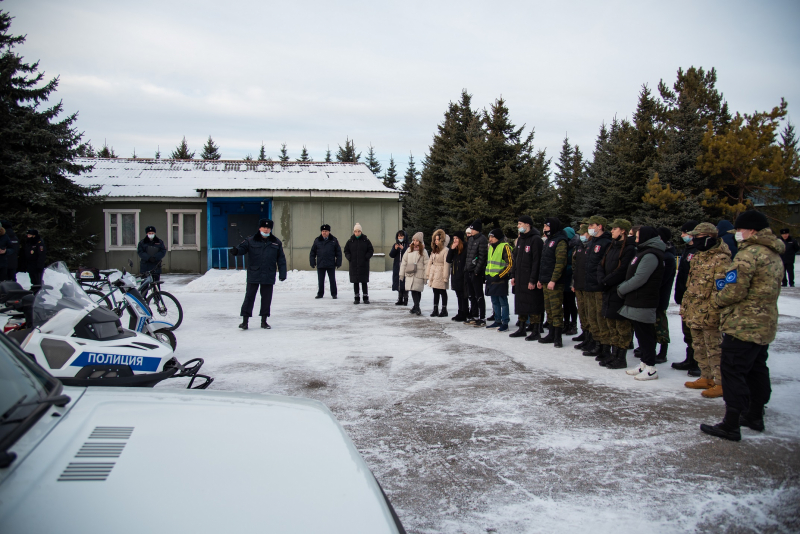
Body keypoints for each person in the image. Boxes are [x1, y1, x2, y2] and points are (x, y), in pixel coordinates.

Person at [701, 211, 785, 441]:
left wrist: (717, 300)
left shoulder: (748, 255)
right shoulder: (774, 254)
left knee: (732, 370)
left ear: (752, 231)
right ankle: (755, 415)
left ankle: (731, 423)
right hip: (764, 323)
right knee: (757, 369)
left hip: (743, 324)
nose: (737, 234)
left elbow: (735, 290)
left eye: (739, 230)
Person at [679, 222, 732, 398]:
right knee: (699, 346)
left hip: (710, 312)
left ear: (709, 237)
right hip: (695, 310)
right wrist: (686, 306)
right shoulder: (699, 256)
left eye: (698, 237)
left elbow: (721, 289)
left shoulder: (721, 259)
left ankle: (721, 382)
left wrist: (715, 312)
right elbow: (690, 284)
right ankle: (706, 376)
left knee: (715, 348)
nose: (694, 240)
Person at [618, 226, 666, 381]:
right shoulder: (644, 252)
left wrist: (622, 289)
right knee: (640, 333)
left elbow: (640, 278)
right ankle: (644, 363)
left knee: (646, 334)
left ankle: (651, 367)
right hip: (637, 299)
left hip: (644, 300)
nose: (636, 239)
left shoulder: (651, 255)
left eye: (637, 237)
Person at [230, 218, 287, 329]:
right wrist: (236, 251)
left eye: (268, 228)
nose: (266, 230)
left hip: (268, 273)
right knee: (249, 297)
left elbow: (281, 259)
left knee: (266, 298)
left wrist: (282, 273)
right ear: (259, 228)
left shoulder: (276, 242)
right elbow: (242, 249)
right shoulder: (250, 240)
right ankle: (245, 321)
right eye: (264, 227)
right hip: (254, 273)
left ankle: (264, 321)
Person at [597, 219, 636, 369]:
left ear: (623, 231)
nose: (612, 231)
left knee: (621, 325)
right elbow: (602, 264)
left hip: (618, 290)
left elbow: (623, 270)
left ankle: (621, 357)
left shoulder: (630, 248)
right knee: (611, 323)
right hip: (607, 289)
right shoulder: (612, 246)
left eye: (615, 229)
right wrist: (602, 280)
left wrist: (606, 282)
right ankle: (613, 355)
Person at [672, 220, 701, 377]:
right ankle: (690, 359)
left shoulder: (698, 251)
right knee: (687, 331)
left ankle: (698, 362)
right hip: (685, 296)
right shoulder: (688, 249)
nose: (682, 235)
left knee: (696, 331)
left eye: (684, 232)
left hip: (696, 298)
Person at [508, 216, 544, 341]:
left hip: (529, 278)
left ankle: (535, 330)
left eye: (520, 224)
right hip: (519, 277)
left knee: (533, 304)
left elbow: (537, 261)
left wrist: (533, 279)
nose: (518, 226)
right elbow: (515, 260)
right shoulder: (521, 240)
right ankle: (522, 327)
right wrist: (513, 275)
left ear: (527, 225)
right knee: (521, 303)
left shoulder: (536, 239)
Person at [582, 216, 613, 357]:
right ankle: (596, 342)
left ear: (600, 226)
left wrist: (602, 281)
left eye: (592, 225)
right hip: (588, 285)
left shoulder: (606, 242)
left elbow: (605, 265)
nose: (590, 228)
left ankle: (605, 346)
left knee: (601, 318)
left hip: (599, 286)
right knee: (591, 317)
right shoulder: (591, 243)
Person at [538, 217, 568, 347]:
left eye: (547, 226)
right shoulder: (548, 241)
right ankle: (551, 333)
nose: (544, 229)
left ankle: (557, 337)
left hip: (554, 282)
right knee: (549, 309)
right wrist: (540, 279)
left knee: (556, 310)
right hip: (545, 280)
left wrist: (553, 280)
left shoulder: (560, 241)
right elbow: (544, 262)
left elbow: (560, 263)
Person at [654, 227, 678, 364]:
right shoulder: (660, 254)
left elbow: (662, 280)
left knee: (660, 325)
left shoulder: (667, 257)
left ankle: (663, 352)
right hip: (654, 296)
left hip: (660, 297)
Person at [485, 229, 513, 332]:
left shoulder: (504, 246)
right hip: (491, 279)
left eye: (492, 237)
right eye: (490, 237)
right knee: (494, 301)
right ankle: (497, 320)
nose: (490, 239)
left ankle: (505, 322)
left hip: (500, 279)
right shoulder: (491, 247)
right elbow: (489, 263)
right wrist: (487, 275)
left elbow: (510, 264)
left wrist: (501, 275)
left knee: (503, 302)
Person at [464, 220, 489, 327]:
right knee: (471, 295)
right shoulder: (471, 239)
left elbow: (482, 257)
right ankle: (474, 315)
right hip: (468, 270)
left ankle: (482, 317)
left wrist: (477, 271)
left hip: (476, 273)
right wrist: (466, 268)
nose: (471, 231)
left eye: (473, 229)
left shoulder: (482, 239)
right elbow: (468, 256)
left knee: (479, 295)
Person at [572, 223, 592, 347]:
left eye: (584, 234)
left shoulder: (592, 246)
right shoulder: (579, 246)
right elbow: (575, 266)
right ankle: (585, 333)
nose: (582, 236)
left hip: (588, 285)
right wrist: (574, 282)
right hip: (579, 283)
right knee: (582, 311)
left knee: (590, 313)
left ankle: (591, 337)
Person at [343, 223, 374, 304]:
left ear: (361, 231)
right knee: (355, 281)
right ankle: (356, 297)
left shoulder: (366, 240)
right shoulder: (350, 241)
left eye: (359, 231)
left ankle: (365, 297)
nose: (357, 233)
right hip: (354, 265)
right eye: (355, 231)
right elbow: (346, 250)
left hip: (363, 265)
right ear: (354, 232)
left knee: (364, 281)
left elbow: (370, 250)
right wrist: (349, 257)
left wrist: (366, 257)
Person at [399, 232, 429, 316]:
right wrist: (401, 274)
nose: (415, 242)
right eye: (414, 240)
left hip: (419, 274)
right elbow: (404, 262)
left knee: (417, 291)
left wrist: (426, 275)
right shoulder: (409, 250)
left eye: (417, 241)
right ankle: (416, 307)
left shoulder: (423, 251)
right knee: (413, 290)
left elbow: (427, 263)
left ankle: (416, 307)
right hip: (410, 273)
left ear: (420, 242)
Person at [310, 224, 342, 299]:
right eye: (323, 231)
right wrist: (312, 261)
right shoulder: (317, 240)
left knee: (332, 280)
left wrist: (338, 262)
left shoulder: (334, 240)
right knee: (320, 280)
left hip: (330, 263)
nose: (324, 232)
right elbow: (312, 252)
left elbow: (338, 252)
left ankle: (334, 294)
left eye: (326, 231)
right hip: (321, 263)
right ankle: (320, 294)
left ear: (329, 232)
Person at [427, 229, 451, 317]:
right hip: (434, 272)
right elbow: (430, 261)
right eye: (435, 240)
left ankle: (444, 309)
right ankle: (435, 309)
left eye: (437, 240)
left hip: (441, 272)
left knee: (442, 291)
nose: (436, 241)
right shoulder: (434, 250)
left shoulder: (445, 250)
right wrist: (428, 273)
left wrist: (445, 276)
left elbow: (446, 264)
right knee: (435, 291)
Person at [447, 231, 469, 322]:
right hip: (455, 275)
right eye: (454, 238)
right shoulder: (454, 249)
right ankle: (460, 311)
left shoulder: (465, 247)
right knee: (458, 295)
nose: (455, 240)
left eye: (457, 238)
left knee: (463, 295)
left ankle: (464, 312)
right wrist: (451, 249)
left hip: (463, 275)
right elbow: (448, 260)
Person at [562, 225, 578, 335]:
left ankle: (573, 324)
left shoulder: (574, 248)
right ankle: (566, 322)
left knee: (571, 303)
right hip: (563, 278)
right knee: (565, 303)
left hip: (571, 278)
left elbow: (573, 265)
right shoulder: (564, 246)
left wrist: (563, 268)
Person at [389, 230, 409, 305]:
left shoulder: (407, 245)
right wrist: (395, 249)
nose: (400, 237)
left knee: (405, 283)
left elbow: (409, 254)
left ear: (404, 237)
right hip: (397, 267)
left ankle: (406, 299)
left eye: (402, 236)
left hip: (406, 267)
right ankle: (400, 299)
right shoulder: (395, 245)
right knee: (399, 283)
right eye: (399, 236)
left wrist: (403, 249)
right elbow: (391, 255)